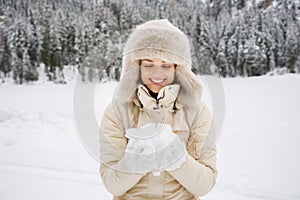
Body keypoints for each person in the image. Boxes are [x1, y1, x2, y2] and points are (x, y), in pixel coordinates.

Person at [99, 19, 217, 200]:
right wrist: (135, 162)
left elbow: (204, 185)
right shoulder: (117, 111)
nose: (156, 74)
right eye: (148, 64)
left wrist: (177, 159)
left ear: (178, 68)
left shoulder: (197, 111)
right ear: (136, 67)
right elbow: (112, 184)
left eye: (166, 65)